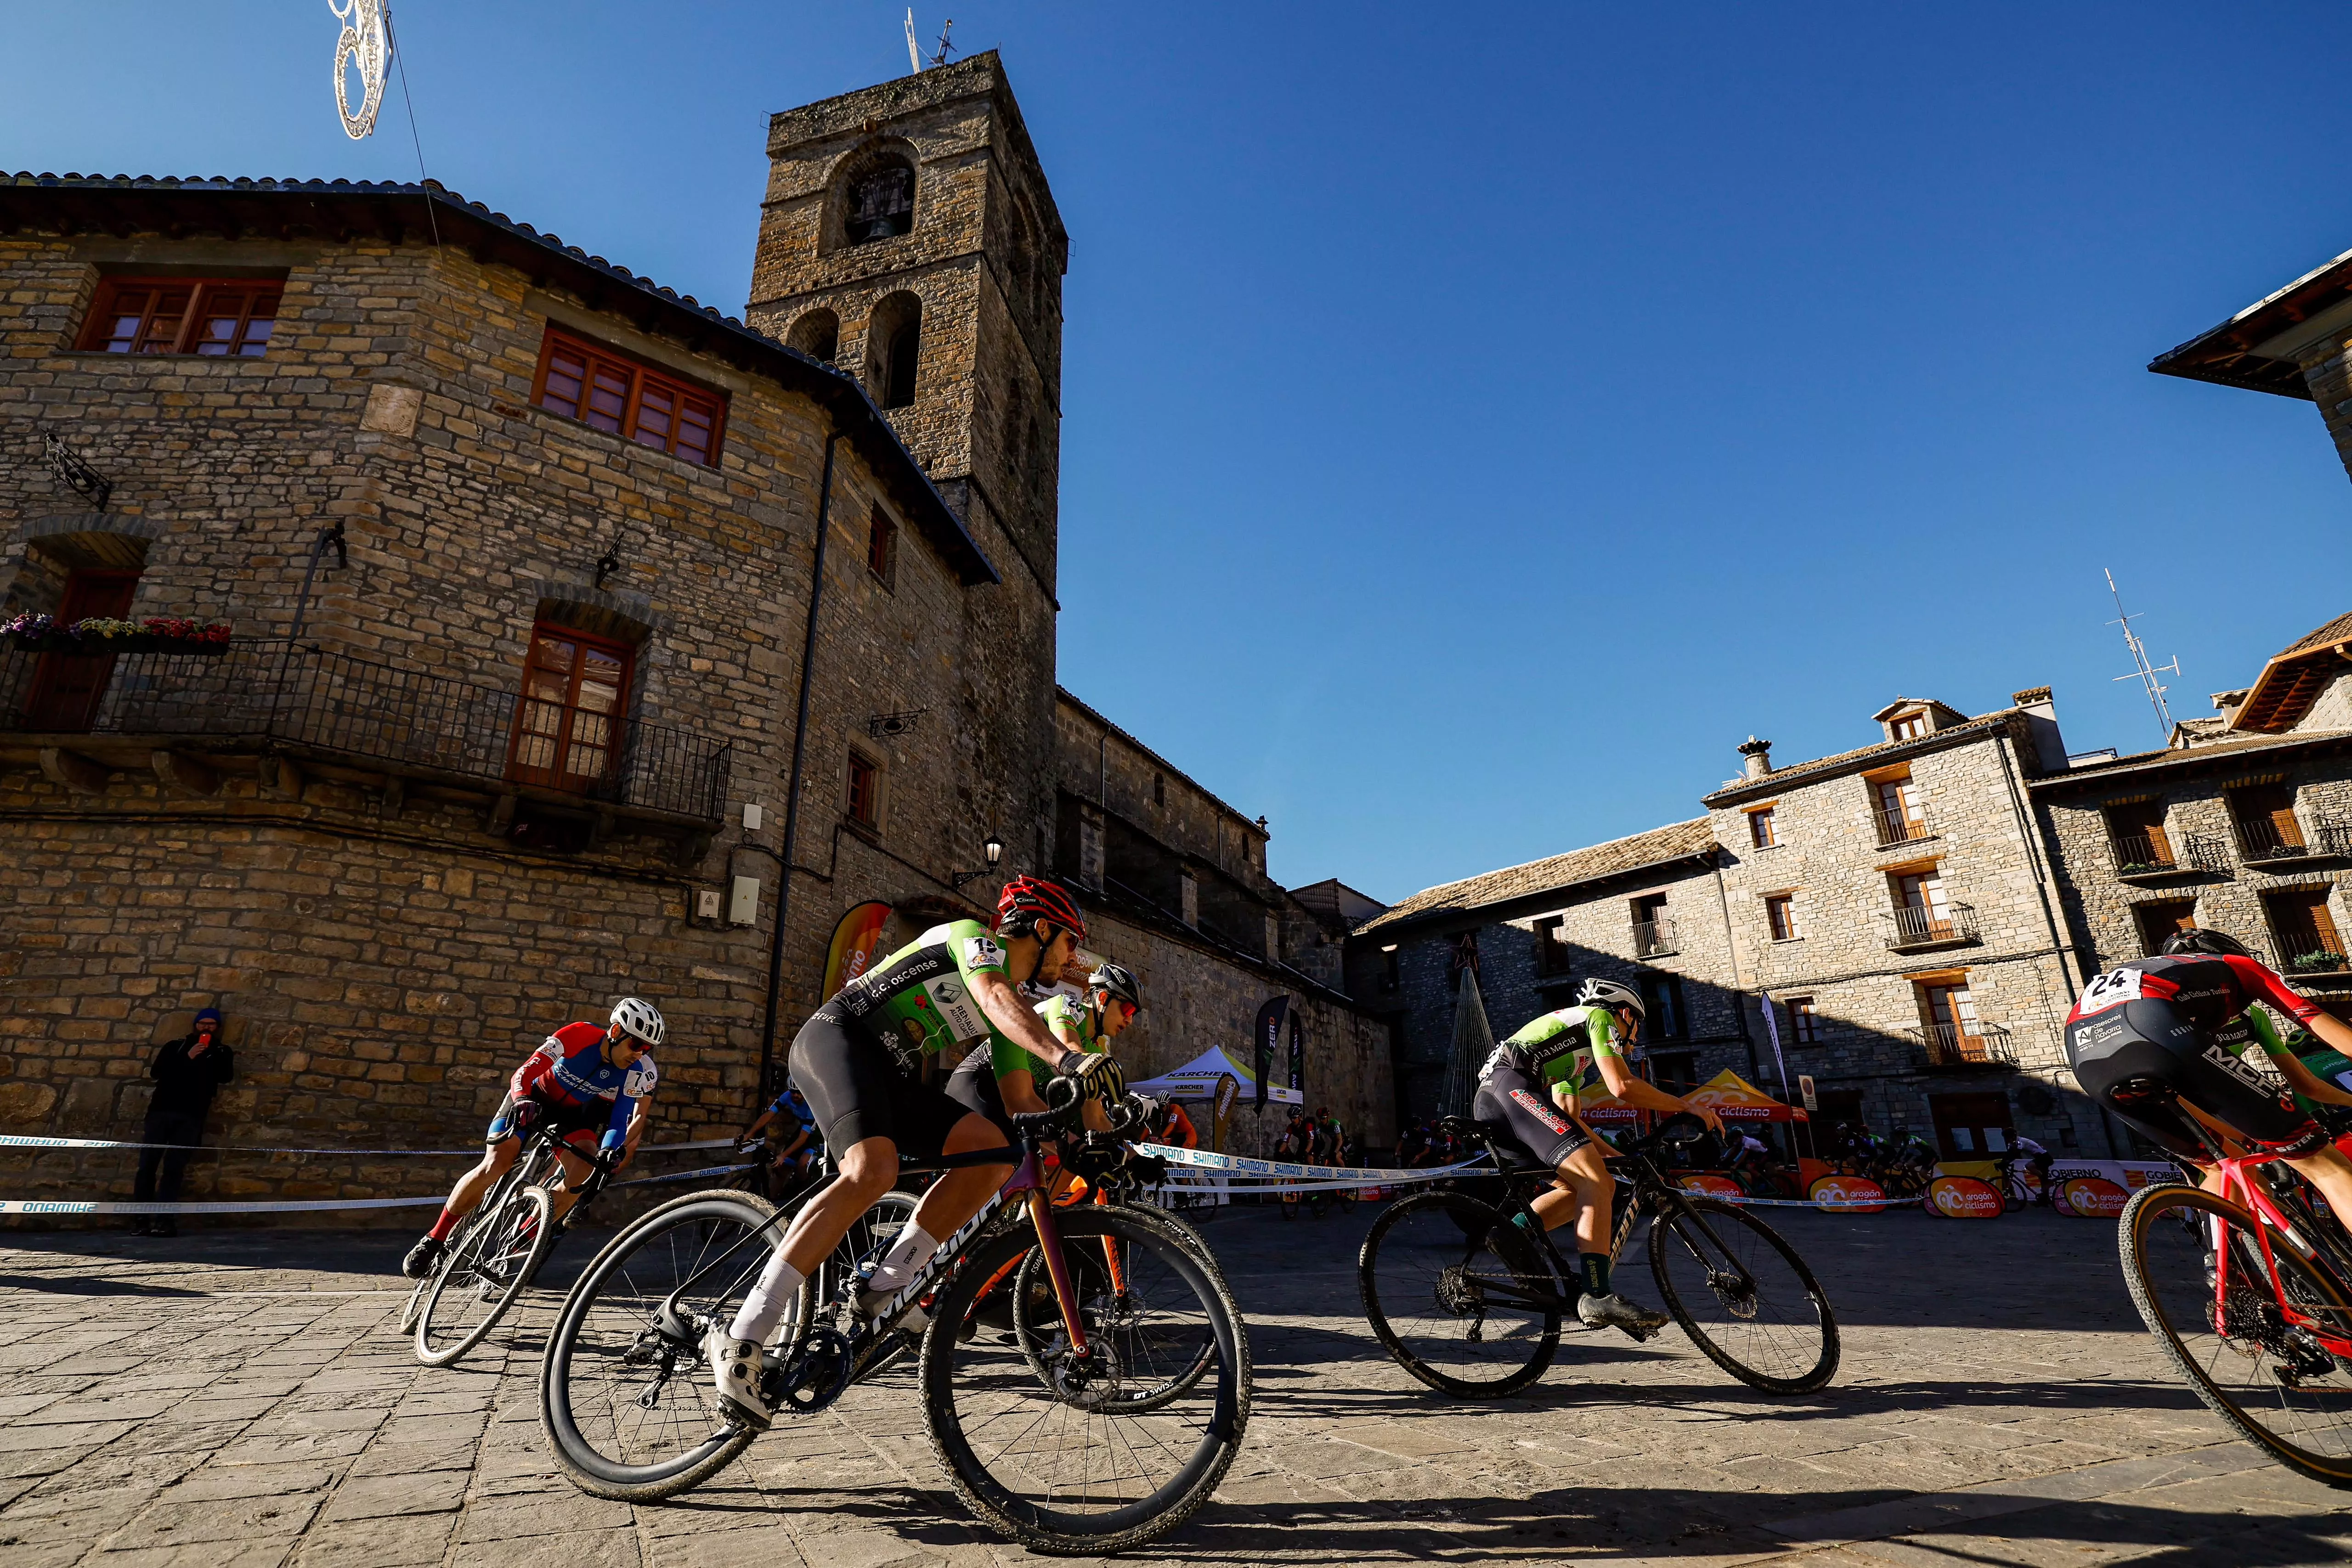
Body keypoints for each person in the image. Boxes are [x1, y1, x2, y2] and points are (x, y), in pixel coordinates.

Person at [708, 877, 1121, 1431]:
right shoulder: (974, 939)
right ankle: (744, 1334)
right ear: (1043, 928)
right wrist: (1067, 1060)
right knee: (872, 1170)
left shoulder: (1013, 1004)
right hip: (839, 1037)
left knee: (992, 1154)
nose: (1071, 957)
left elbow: (1020, 1101)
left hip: (892, 1072)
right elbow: (992, 997)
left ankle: (885, 1283)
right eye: (1070, 941)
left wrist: (1083, 1148)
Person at [1474, 978, 1723, 1336]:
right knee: (1597, 1182)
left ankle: (1510, 1234)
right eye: (1636, 1027)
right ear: (1626, 1015)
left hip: (1501, 1102)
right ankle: (1597, 1294)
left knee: (1584, 1186)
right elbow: (1621, 1086)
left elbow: (1568, 1118)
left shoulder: (1573, 1057)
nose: (1634, 1038)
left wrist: (1620, 1157)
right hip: (1511, 1093)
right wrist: (1687, 1106)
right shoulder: (1599, 1018)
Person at [2064, 927, 2352, 1221]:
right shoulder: (2238, 966)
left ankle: (2227, 1249)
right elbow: (2321, 1027)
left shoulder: (2157, 976)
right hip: (2153, 1028)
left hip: (2085, 1055)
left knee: (2221, 1167)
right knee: (2326, 1167)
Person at [402, 998, 662, 1280]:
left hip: (571, 1115)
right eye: (636, 1045)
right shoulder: (579, 1034)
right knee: (496, 1163)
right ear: (616, 1032)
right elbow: (524, 1072)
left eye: (647, 1049)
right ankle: (435, 1239)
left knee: (583, 1174)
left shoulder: (634, 1072)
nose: (639, 1054)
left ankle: (515, 1247)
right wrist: (522, 1099)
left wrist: (610, 1149)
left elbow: (620, 1119)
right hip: (532, 1098)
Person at [134, 1006, 235, 1238]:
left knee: (174, 1169)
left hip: (192, 1116)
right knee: (148, 1167)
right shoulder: (175, 1047)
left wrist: (208, 1055)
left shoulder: (222, 1051)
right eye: (202, 1023)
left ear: (217, 1027)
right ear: (195, 1025)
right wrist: (188, 1057)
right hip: (162, 1112)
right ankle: (140, 1219)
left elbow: (225, 1077)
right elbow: (157, 1072)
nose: (206, 1027)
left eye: (211, 1024)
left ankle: (164, 1220)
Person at [737, 1082, 820, 1199]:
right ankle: (771, 1201)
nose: (796, 1095)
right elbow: (769, 1115)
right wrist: (750, 1134)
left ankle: (804, 1193)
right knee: (782, 1167)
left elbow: (803, 1138)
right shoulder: (786, 1096)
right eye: (793, 1092)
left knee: (802, 1165)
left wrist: (783, 1155)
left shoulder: (811, 1104)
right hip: (803, 1130)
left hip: (818, 1135)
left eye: (799, 1092)